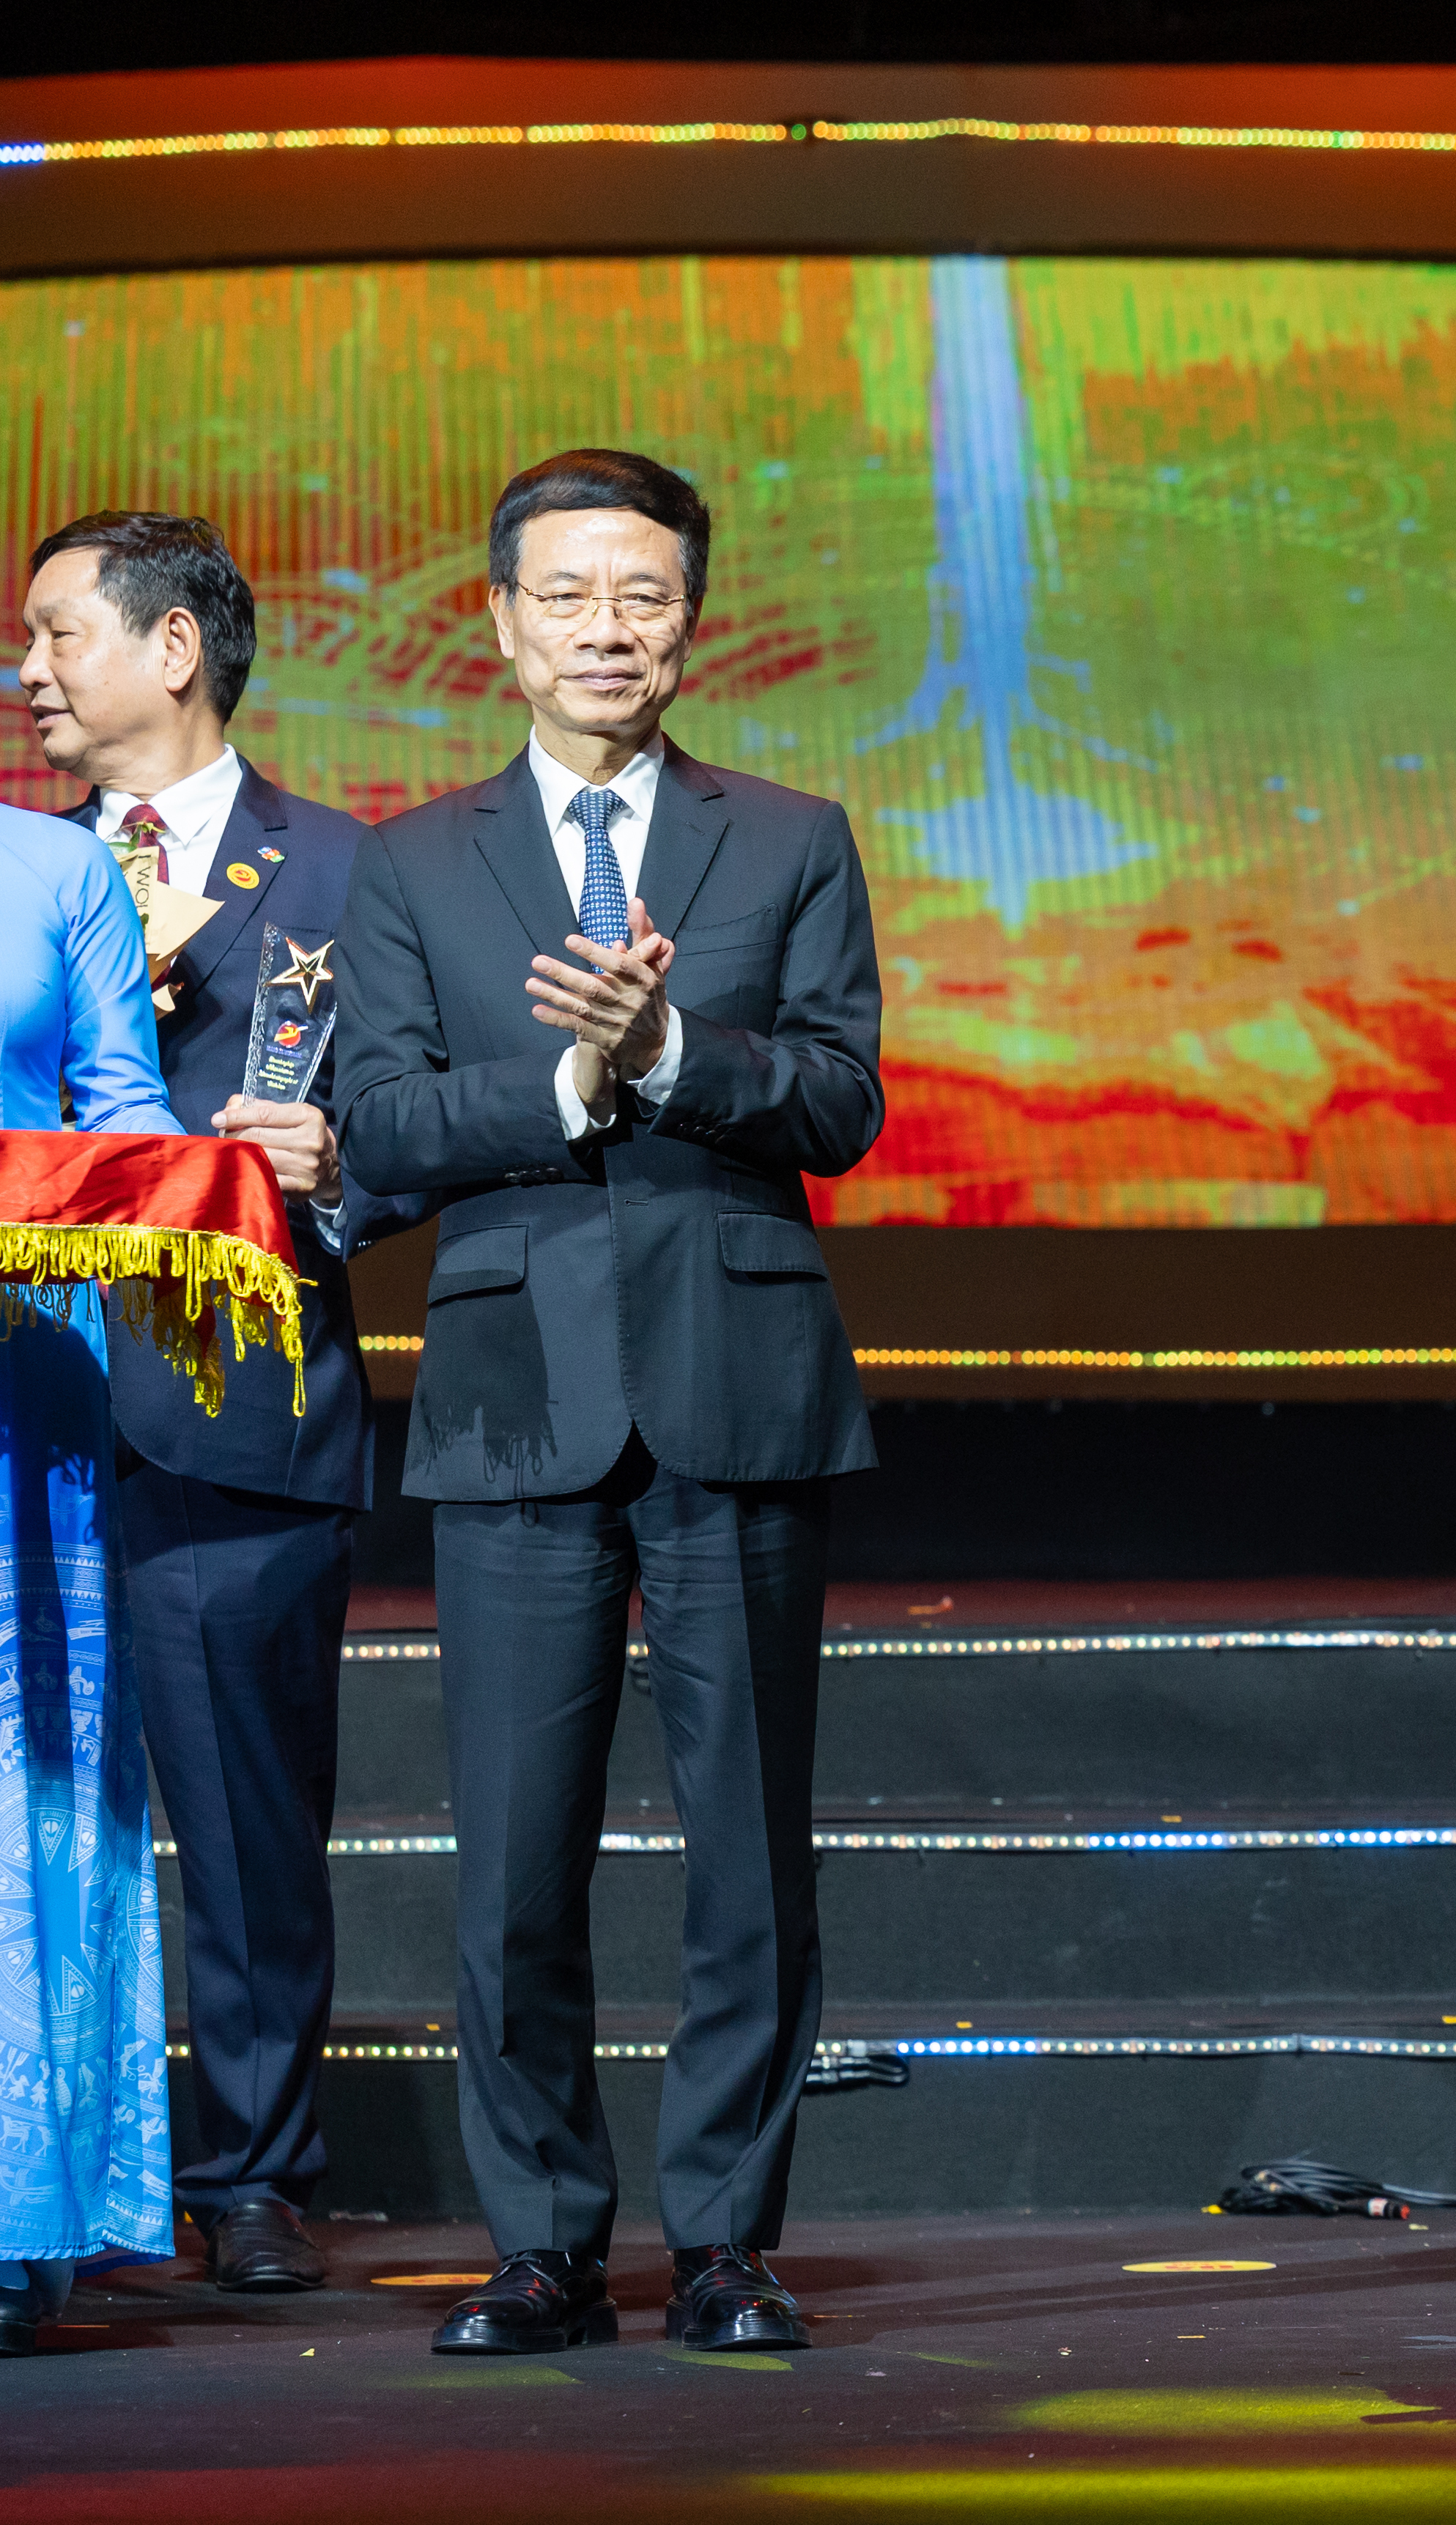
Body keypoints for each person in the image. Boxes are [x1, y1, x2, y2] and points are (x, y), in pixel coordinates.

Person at [336, 448, 887, 2357]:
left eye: (639, 594)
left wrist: (676, 1049)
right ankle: (544, 2240)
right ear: (500, 621)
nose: (604, 627)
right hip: (512, 1389)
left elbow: (838, 1101)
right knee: (513, 1848)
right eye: (566, 593)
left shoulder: (791, 835)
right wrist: (568, 1087)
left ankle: (726, 2236)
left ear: (691, 618)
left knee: (748, 1842)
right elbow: (388, 1122)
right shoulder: (408, 860)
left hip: (738, 1373)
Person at [17, 511, 425, 2296]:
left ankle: (256, 2171)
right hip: (31, 1405)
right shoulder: (31, 872)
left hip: (229, 1402)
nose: (28, 674)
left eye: (56, 637)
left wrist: (337, 1173)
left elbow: (417, 1123)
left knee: (247, 1815)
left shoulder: (347, 876)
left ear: (171, 649)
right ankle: (54, 2171)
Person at [0, 790, 187, 2351]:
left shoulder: (56, 868)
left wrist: (219, 1182)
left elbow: (122, 1116)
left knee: (21, 1784)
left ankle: (14, 2204)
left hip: (18, 1380)